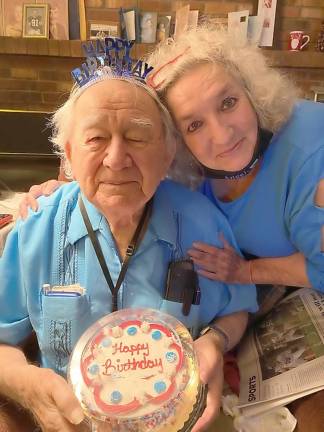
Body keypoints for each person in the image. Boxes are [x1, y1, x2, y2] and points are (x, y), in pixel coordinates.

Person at [20, 25, 324, 430]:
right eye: (193, 125)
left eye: (229, 102)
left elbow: (271, 287)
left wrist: (243, 278)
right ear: (177, 143)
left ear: (252, 91)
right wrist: (63, 186)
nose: (221, 134)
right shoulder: (185, 178)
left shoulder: (308, 156)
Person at [0, 64, 257, 432]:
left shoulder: (204, 223)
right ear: (69, 154)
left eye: (137, 137)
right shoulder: (37, 229)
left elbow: (237, 309)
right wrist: (30, 388)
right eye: (95, 139)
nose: (116, 159)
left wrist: (215, 342)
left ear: (168, 153)